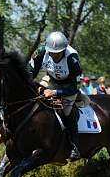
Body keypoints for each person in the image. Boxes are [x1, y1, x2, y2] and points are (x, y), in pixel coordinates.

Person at [28, 31, 87, 159]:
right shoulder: (41, 52)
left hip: (68, 86)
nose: (54, 56)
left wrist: (55, 92)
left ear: (64, 50)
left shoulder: (72, 58)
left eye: (58, 53)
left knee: (66, 111)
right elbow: (30, 73)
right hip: (51, 79)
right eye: (52, 53)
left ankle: (74, 146)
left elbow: (75, 87)